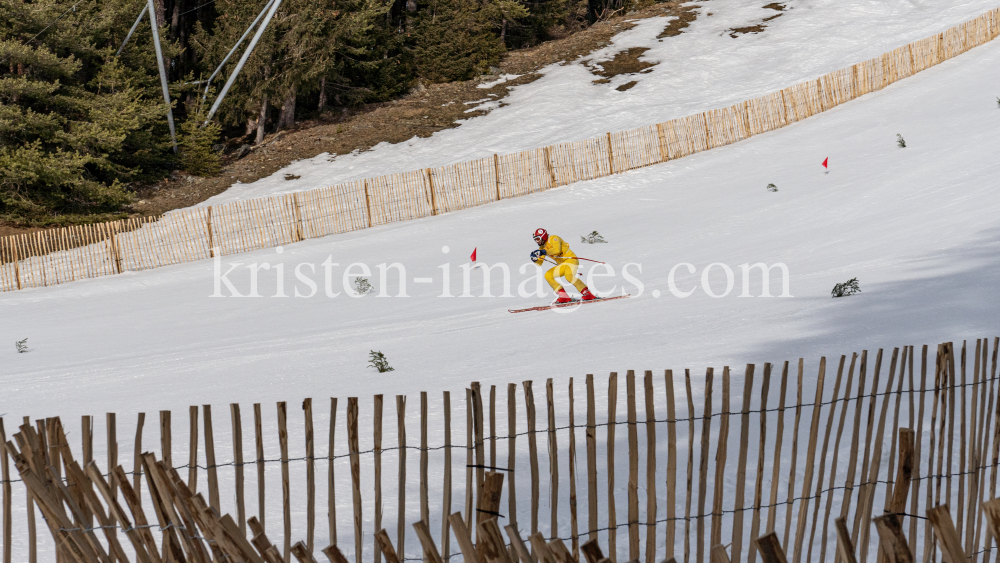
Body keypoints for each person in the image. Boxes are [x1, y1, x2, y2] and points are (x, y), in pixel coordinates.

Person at [530, 228, 597, 303]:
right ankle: (563, 296)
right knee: (548, 275)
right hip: (563, 264)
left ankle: (587, 293)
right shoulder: (541, 248)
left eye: (538, 239)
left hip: (571, 260)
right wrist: (535, 259)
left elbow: (556, 250)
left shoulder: (554, 238)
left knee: (569, 277)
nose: (537, 241)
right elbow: (539, 263)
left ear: (544, 236)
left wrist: (543, 252)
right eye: (535, 240)